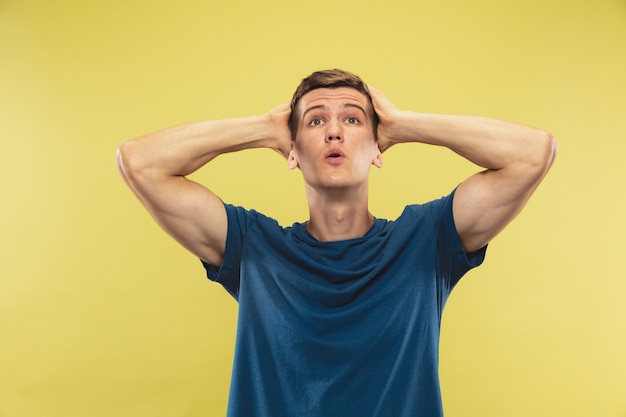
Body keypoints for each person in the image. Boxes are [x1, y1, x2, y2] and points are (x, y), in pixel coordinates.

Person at [116, 69, 556, 417]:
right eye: (315, 120)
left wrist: (405, 124)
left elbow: (533, 152)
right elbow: (138, 162)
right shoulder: (253, 247)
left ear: (377, 148)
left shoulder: (427, 239)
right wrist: (263, 128)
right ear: (292, 150)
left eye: (352, 119)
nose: (334, 132)